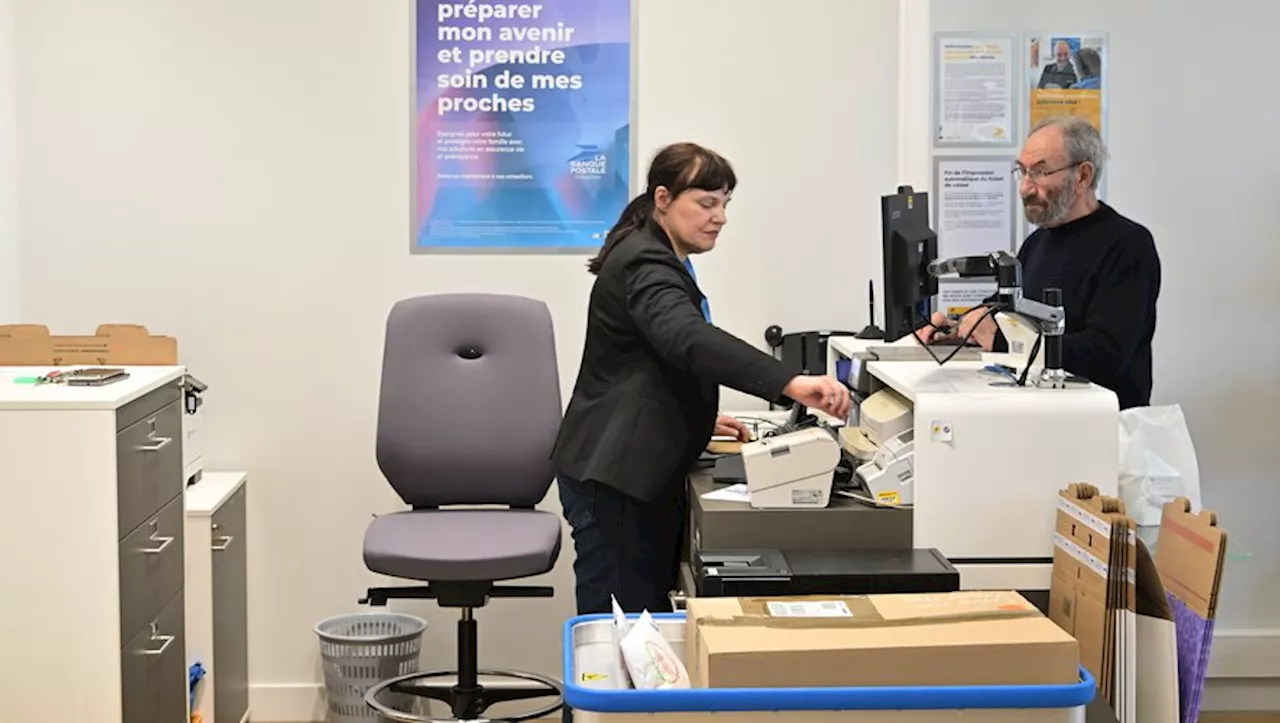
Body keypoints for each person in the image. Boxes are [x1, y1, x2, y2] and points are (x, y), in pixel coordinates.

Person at [552, 142, 851, 615]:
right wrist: (789, 382)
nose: (720, 217)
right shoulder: (644, 262)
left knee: (641, 614)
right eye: (707, 203)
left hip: (626, 461)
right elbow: (687, 337)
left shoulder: (659, 253)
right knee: (619, 628)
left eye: (725, 204)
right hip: (617, 475)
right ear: (664, 199)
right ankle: (597, 696)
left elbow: (649, 361)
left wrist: (695, 417)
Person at [918, 116, 1160, 410]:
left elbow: (1106, 353)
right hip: (1041, 414)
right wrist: (957, 326)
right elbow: (1004, 310)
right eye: (1022, 172)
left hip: (1100, 426)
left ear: (1083, 176)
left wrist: (1003, 341)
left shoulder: (1128, 245)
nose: (1025, 188)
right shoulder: (1039, 241)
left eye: (1040, 172)